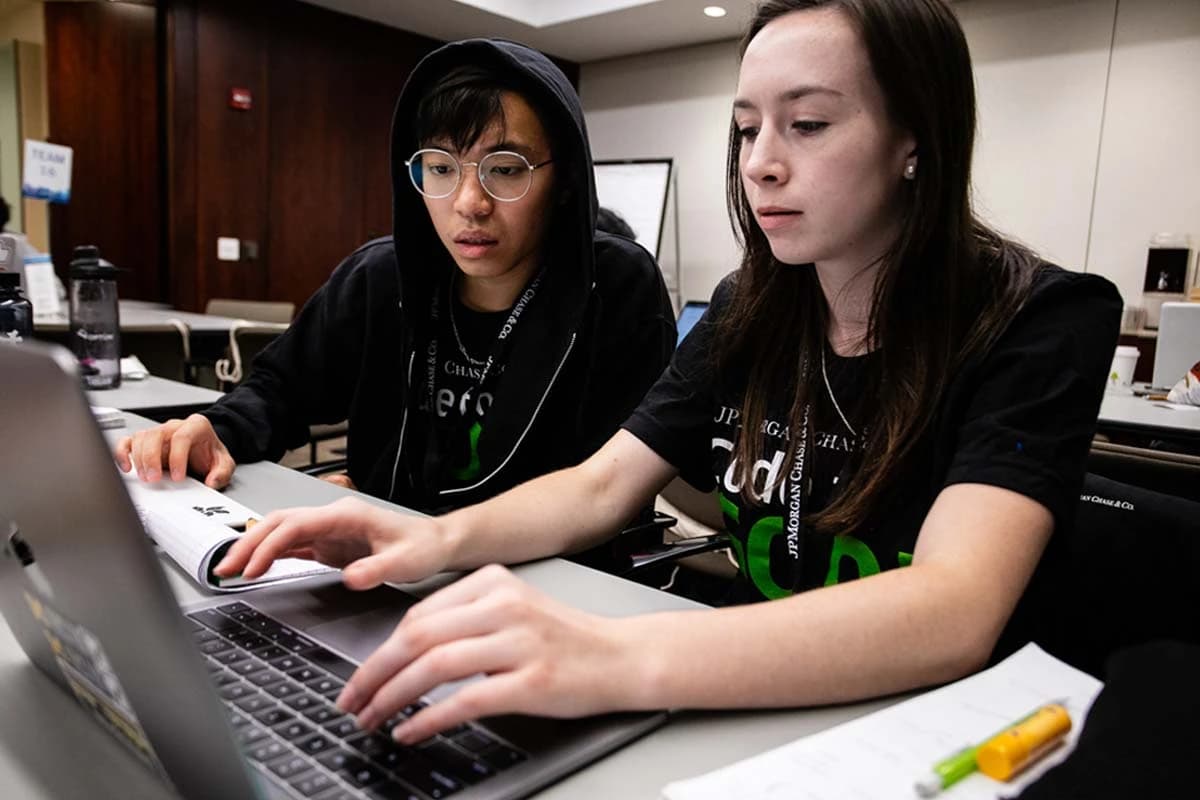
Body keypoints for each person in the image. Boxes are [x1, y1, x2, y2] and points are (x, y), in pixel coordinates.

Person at [216, 0, 1122, 744]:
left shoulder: (1040, 318)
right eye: (746, 129)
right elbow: (603, 484)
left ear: (915, 137)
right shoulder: (751, 307)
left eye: (807, 124)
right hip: (766, 706)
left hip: (942, 735)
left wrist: (614, 656)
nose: (760, 163)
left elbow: (954, 608)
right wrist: (425, 541)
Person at [115, 40, 675, 511]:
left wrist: (406, 524)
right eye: (440, 168)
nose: (469, 203)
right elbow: (278, 391)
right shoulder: (380, 277)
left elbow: (609, 491)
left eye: (505, 170)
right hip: (379, 566)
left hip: (544, 583)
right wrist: (217, 430)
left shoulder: (617, 289)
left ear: (567, 179)